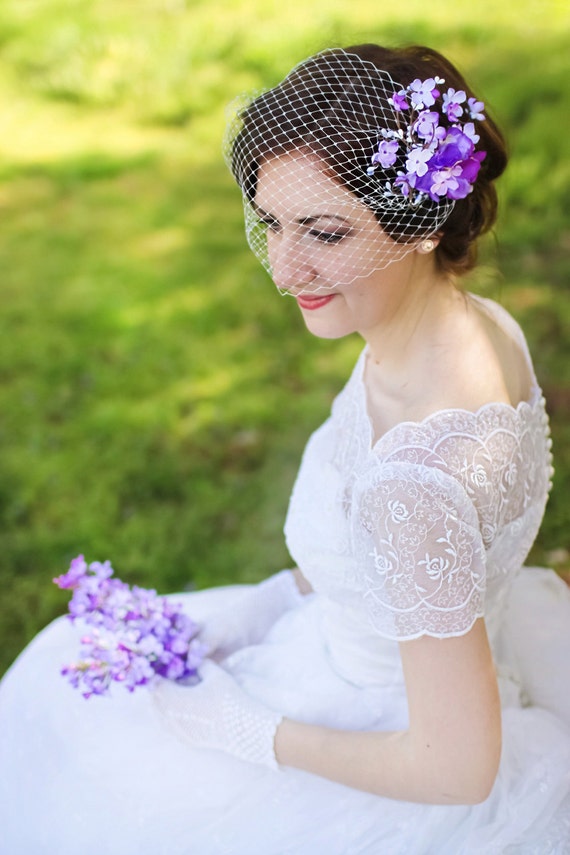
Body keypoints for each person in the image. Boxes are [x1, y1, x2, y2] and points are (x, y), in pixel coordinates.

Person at [1, 43, 569, 855]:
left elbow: (457, 770)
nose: (284, 266)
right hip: (393, 638)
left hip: (381, 734)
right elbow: (405, 564)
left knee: (75, 746)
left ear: (424, 221)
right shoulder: (474, 327)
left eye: (325, 233)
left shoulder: (415, 482)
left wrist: (248, 731)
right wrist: (269, 601)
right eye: (272, 222)